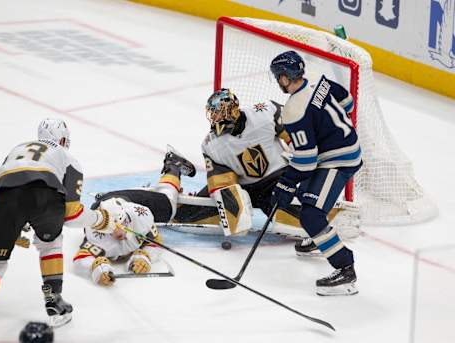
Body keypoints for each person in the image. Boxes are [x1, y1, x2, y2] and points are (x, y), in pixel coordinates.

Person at [0, 118, 117, 334]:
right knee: (50, 243)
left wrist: (13, 226)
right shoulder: (67, 157)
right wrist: (101, 220)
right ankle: (54, 302)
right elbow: (71, 214)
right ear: (62, 139)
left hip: (6, 198)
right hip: (46, 194)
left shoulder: (16, 149)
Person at [173, 89, 358, 246]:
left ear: (233, 111)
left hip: (277, 182)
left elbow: (299, 139)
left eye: (219, 113)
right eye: (212, 113)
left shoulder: (266, 112)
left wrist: (308, 170)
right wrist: (231, 206)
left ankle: (332, 213)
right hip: (242, 187)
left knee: (301, 222)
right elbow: (220, 182)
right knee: (185, 217)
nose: (214, 118)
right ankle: (172, 168)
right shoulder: (211, 144)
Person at [269, 50, 362, 296]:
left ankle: (345, 269)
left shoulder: (293, 110)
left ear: (285, 77)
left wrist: (284, 184)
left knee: (310, 215)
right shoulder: (322, 82)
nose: (278, 81)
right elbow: (347, 101)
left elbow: (307, 161)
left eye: (278, 77)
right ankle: (320, 239)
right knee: (306, 193)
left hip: (339, 159)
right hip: (343, 148)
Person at [73, 147, 196, 286]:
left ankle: (174, 165)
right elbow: (81, 259)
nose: (119, 232)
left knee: (168, 206)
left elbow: (156, 241)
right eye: (113, 227)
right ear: (103, 225)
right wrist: (97, 268)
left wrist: (143, 256)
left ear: (126, 217)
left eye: (122, 223)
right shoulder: (95, 234)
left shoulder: (139, 215)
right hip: (107, 205)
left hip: (128, 200)